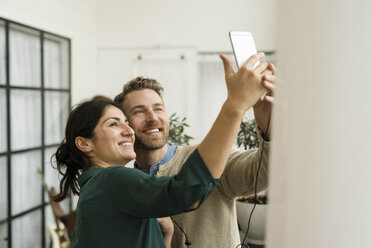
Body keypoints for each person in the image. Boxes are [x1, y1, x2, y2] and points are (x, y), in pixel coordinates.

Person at [53, 53, 273, 248]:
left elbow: (263, 173)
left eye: (158, 108)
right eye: (138, 112)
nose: (152, 118)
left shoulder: (210, 158)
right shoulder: (114, 179)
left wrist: (269, 131)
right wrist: (235, 105)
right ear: (85, 143)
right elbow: (186, 192)